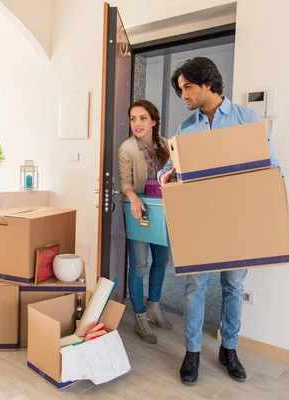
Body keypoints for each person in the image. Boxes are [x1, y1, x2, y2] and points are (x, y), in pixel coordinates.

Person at [157, 57, 283, 385]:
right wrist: (166, 176)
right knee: (196, 285)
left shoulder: (246, 119)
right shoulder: (187, 128)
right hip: (201, 220)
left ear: (208, 84)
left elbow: (272, 166)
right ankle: (193, 351)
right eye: (179, 89)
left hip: (237, 219)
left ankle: (229, 348)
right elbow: (173, 168)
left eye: (187, 87)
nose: (182, 95)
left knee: (233, 285)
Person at [118, 99, 173, 344]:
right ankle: (140, 318)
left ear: (153, 120)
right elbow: (125, 183)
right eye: (133, 119)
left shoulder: (166, 144)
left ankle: (154, 307)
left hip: (162, 210)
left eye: (142, 118)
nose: (137, 123)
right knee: (139, 266)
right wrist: (133, 198)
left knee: (161, 260)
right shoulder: (126, 149)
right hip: (138, 210)